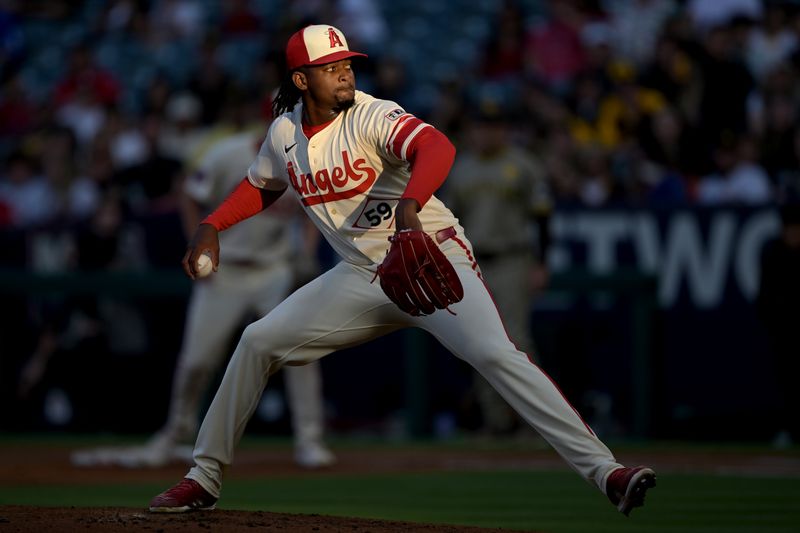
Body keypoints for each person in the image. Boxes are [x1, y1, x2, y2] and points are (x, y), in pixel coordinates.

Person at [149, 24, 656, 516]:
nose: (345, 74)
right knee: (258, 341)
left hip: (429, 254)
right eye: (330, 68)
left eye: (347, 63)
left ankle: (605, 472)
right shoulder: (284, 132)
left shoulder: (372, 114)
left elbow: (437, 147)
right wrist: (213, 223)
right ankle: (203, 477)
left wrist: (411, 205)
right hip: (358, 274)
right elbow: (264, 183)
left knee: (497, 355)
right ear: (301, 80)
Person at [71, 129, 335, 469]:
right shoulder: (229, 154)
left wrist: (307, 252)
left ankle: (309, 440)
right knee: (197, 360)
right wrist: (197, 242)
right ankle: (177, 434)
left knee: (300, 351)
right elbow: (190, 194)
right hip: (225, 270)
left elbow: (309, 212)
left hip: (274, 270)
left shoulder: (304, 162)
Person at [445, 100, 552, 436]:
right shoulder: (461, 168)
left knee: (517, 342)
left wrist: (541, 262)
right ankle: (497, 424)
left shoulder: (522, 165)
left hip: (512, 259)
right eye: (481, 126)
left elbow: (544, 216)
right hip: (472, 263)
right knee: (479, 344)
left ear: (504, 129)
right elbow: (447, 221)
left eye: (493, 126)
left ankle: (537, 424)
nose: (486, 132)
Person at [756, 201, 800, 448]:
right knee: (785, 382)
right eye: (790, 229)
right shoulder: (773, 251)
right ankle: (786, 428)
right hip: (783, 330)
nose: (793, 235)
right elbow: (765, 296)